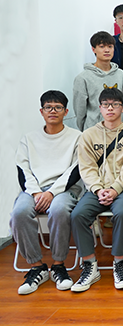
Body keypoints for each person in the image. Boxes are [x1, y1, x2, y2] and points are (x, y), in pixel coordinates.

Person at [70, 88, 123, 292]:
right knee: (78, 215)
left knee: (122, 213)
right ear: (100, 108)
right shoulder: (88, 135)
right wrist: (98, 189)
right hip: (97, 190)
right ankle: (90, 265)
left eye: (115, 104)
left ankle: (119, 264)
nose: (110, 108)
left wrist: (115, 189)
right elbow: (87, 167)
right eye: (106, 105)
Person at [11, 91, 83, 295]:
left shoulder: (77, 137)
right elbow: (23, 170)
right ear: (41, 111)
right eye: (48, 107)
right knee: (19, 213)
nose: (53, 111)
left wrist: (52, 192)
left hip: (63, 190)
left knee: (59, 210)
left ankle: (59, 265)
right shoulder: (29, 139)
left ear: (66, 112)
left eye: (58, 107)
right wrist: (36, 193)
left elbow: (76, 170)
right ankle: (37, 267)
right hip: (33, 190)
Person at [73, 31, 123, 131]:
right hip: (94, 130)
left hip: (118, 130)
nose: (107, 50)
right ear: (93, 49)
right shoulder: (83, 78)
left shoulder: (121, 75)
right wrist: (86, 130)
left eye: (110, 46)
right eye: (102, 46)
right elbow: (80, 110)